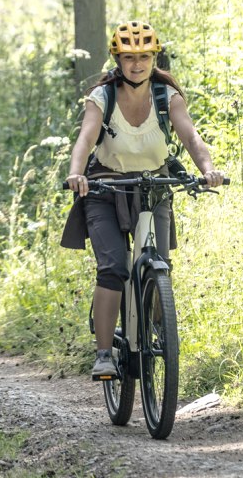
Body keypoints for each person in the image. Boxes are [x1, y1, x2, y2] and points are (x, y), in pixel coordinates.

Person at [60, 21, 226, 379]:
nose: (137, 64)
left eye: (145, 57)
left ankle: (154, 330)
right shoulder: (102, 97)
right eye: (129, 57)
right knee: (114, 268)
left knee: (159, 263)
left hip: (153, 186)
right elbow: (86, 140)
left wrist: (208, 168)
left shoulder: (167, 97)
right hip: (105, 189)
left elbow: (191, 137)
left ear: (155, 58)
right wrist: (77, 173)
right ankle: (104, 353)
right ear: (117, 59)